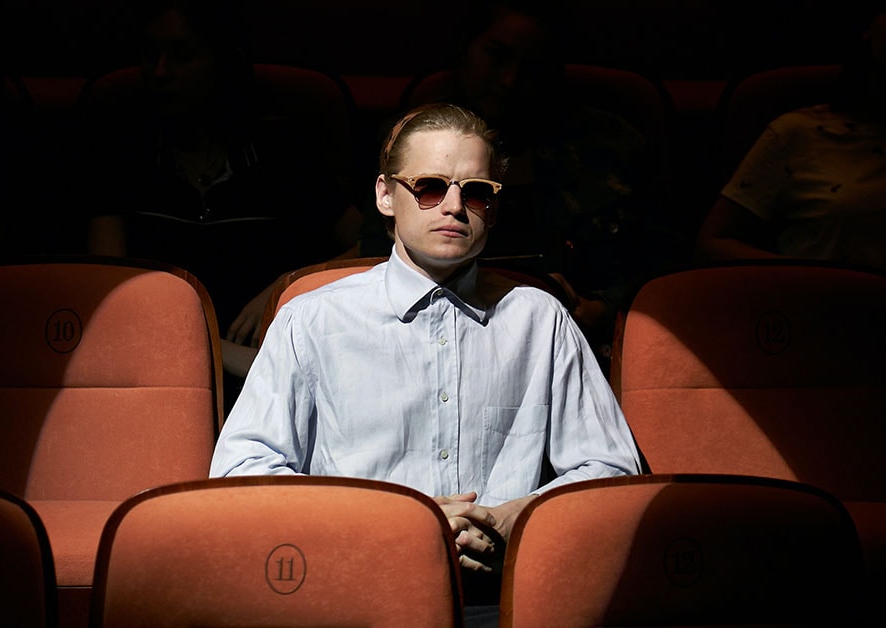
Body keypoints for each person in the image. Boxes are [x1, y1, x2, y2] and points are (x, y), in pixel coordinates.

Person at [210, 103, 642, 621]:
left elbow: (610, 468)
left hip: (505, 597)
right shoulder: (312, 320)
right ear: (385, 195)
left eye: (476, 191)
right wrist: (400, 523)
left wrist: (518, 518)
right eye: (431, 187)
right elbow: (242, 473)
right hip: (351, 595)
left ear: (494, 209)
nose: (454, 207)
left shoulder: (540, 319)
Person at [358, 0, 685, 375]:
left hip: (590, 348)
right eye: (496, 56)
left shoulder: (610, 146)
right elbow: (376, 258)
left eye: (534, 67)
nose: (510, 80)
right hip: (421, 342)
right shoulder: (409, 143)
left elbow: (665, 261)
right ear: (466, 48)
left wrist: (605, 308)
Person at [81, 0, 361, 386]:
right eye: (150, 54)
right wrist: (217, 351)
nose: (161, 71)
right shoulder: (123, 154)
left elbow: (370, 247)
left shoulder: (280, 152)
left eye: (182, 55)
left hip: (274, 368)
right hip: (156, 370)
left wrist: (290, 285)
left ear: (223, 62)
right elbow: (109, 288)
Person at [694, 0, 886, 342]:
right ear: (869, 24)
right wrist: (821, 281)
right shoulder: (797, 133)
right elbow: (712, 242)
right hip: (814, 328)